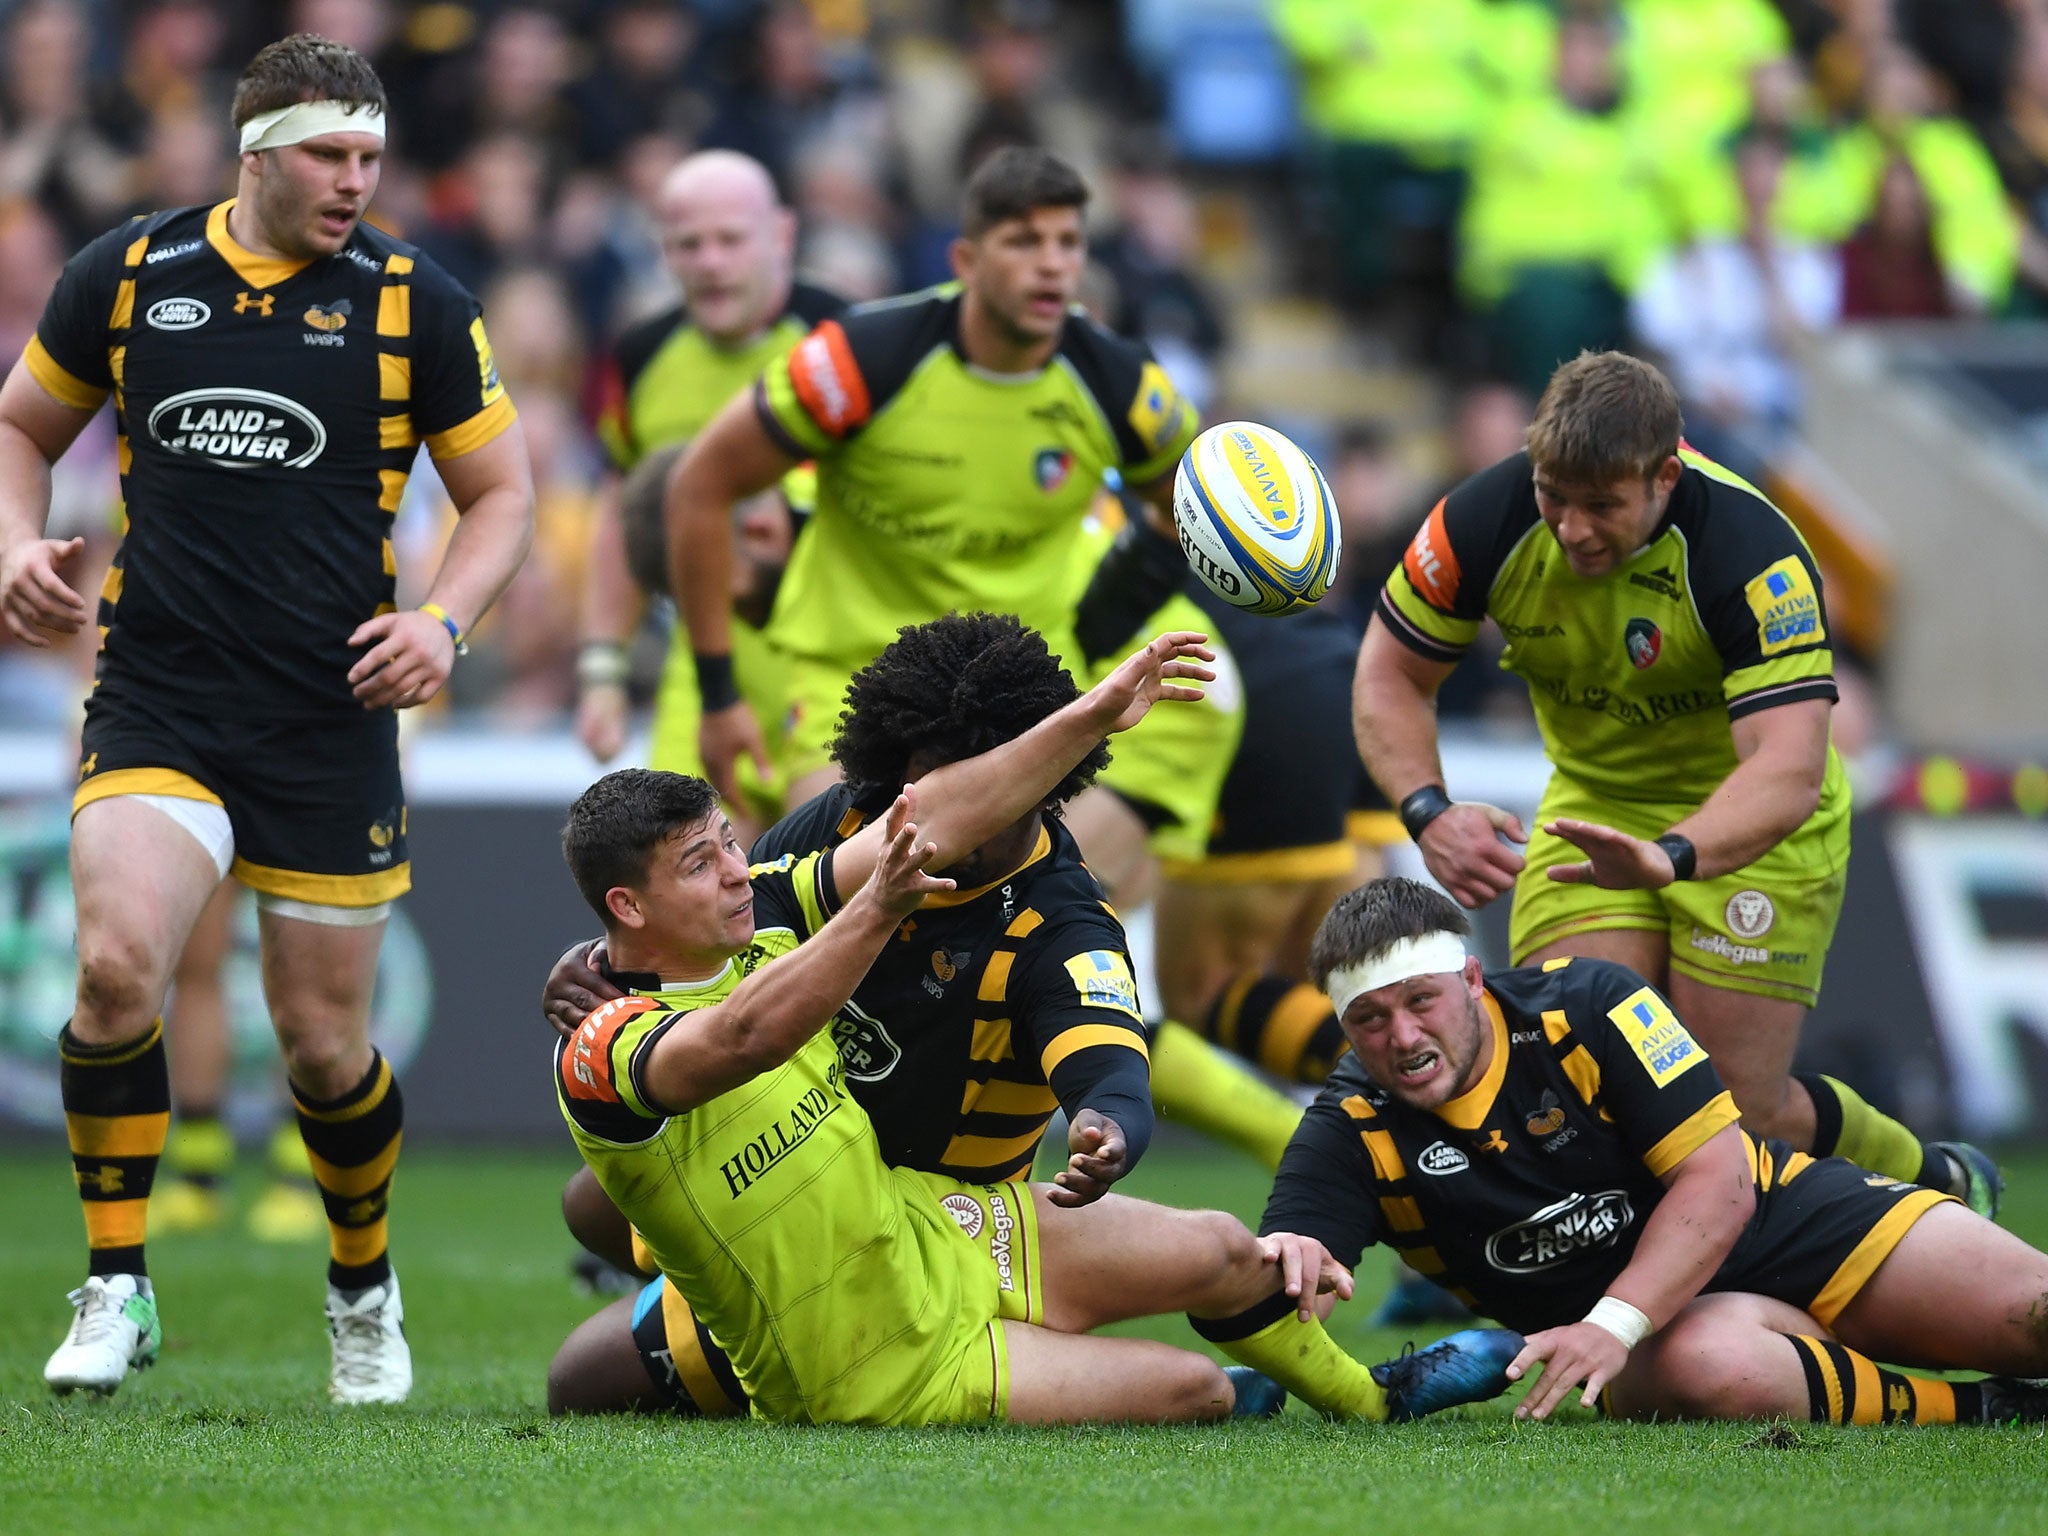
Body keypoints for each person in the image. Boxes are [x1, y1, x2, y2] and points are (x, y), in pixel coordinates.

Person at [551, 641, 1518, 1425]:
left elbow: (1110, 1058)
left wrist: (1108, 1125)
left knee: (1227, 1249)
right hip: (852, 1324)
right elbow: (742, 1034)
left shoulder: (1051, 916)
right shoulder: (802, 888)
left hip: (946, 1211)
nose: (735, 870)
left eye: (729, 845)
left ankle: (1375, 1397)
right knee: (586, 1273)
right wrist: (870, 909)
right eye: (703, 861)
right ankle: (728, 1305)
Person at [1, 34, 534, 1402]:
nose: (358, 180)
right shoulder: (129, 274)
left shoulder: (416, 303)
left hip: (327, 712)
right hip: (160, 696)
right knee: (116, 968)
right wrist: (12, 541)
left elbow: (503, 496)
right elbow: (19, 428)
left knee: (323, 1044)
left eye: (372, 156)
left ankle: (362, 1288)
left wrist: (442, 622)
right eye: (330, 155)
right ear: (257, 154)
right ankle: (115, 1285)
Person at [663, 143, 1288, 1163]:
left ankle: (1160, 1152)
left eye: (1068, 243)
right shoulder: (866, 359)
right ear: (964, 258)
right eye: (1023, 241)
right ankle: (720, 1167)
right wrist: (721, 689)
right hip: (858, 702)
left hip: (1027, 715)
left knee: (1027, 945)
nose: (1052, 264)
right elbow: (700, 484)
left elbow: (1194, 503)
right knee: (836, 940)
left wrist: (1110, 615)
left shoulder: (1114, 381)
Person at [1353, 350, 1998, 1216]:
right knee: (1573, 1078)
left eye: (1602, 506)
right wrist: (1427, 809)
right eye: (1554, 497)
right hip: (1595, 812)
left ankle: (1928, 1172)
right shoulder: (1482, 518)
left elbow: (1789, 767)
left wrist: (1672, 855)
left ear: (1665, 476)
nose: (1572, 529)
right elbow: (1388, 673)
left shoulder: (1752, 552)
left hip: (1753, 830)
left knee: (1735, 1117)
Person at [1240, 877, 2048, 1426]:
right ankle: (1990, 1410)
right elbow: (1286, 1270)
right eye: (1370, 1020)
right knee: (1711, 1367)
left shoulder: (1592, 1003)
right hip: (1658, 1337)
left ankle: (1932, 1179)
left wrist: (1611, 1323)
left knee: (2034, 1312)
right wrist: (1288, 1289)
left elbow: (1720, 1181)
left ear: (1474, 981)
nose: (1404, 1036)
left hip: (1781, 1223)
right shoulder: (1350, 1123)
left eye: (1422, 1001)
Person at [575, 148, 843, 812]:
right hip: (703, 666)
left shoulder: (844, 342)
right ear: (664, 251)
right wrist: (603, 668)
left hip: (832, 668)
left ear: (782, 235)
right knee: (679, 867)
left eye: (730, 240)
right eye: (689, 244)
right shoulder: (642, 358)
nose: (711, 262)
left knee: (824, 866)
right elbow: (624, 516)